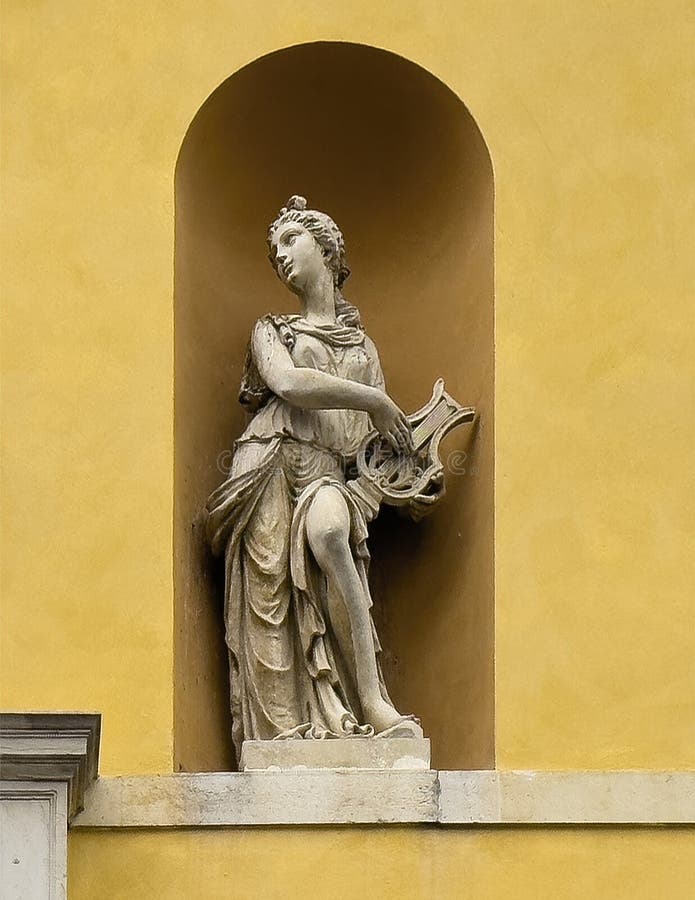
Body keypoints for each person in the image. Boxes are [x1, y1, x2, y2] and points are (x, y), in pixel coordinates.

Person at [206, 195, 422, 756]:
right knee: (270, 601)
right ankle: (282, 732)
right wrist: (375, 398)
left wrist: (378, 486)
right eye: (272, 249)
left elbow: (366, 450)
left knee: (330, 532)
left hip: (328, 472)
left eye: (288, 242)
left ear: (324, 247)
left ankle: (372, 703)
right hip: (269, 464)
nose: (279, 257)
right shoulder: (269, 330)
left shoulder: (364, 348)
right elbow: (290, 384)